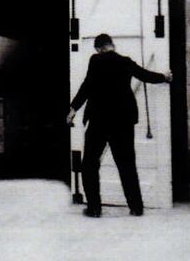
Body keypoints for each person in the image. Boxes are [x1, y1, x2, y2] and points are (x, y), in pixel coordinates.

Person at [66, 33, 172, 217]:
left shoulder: (95, 60)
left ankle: (94, 208)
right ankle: (136, 207)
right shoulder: (126, 61)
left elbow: (87, 86)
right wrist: (164, 77)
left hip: (99, 120)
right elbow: (145, 75)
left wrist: (73, 109)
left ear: (98, 48)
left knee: (89, 164)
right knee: (126, 164)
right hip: (123, 121)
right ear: (112, 45)